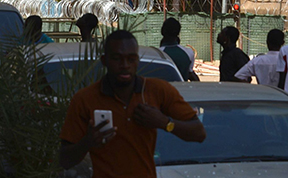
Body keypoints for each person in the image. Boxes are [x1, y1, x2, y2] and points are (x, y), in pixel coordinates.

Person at [59, 30, 206, 177]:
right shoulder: (85, 99)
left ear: (137, 61)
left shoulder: (158, 90)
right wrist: (88, 142)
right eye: (117, 59)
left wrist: (165, 123)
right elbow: (65, 160)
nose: (125, 65)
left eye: (131, 59)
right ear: (104, 61)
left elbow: (199, 133)